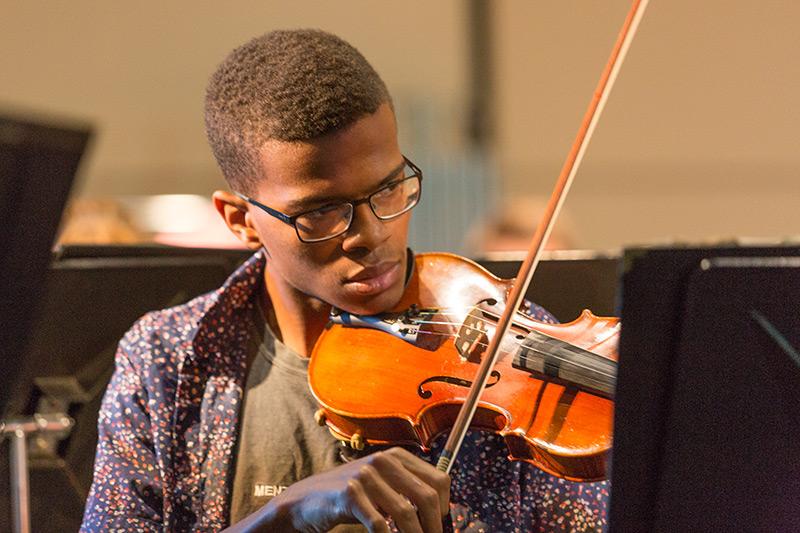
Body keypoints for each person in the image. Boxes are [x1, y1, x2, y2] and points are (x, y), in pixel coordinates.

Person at [81, 29, 609, 532]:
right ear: (241, 220)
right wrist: (285, 514)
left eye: (389, 188)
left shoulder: (502, 345)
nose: (371, 234)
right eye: (322, 212)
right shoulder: (166, 359)